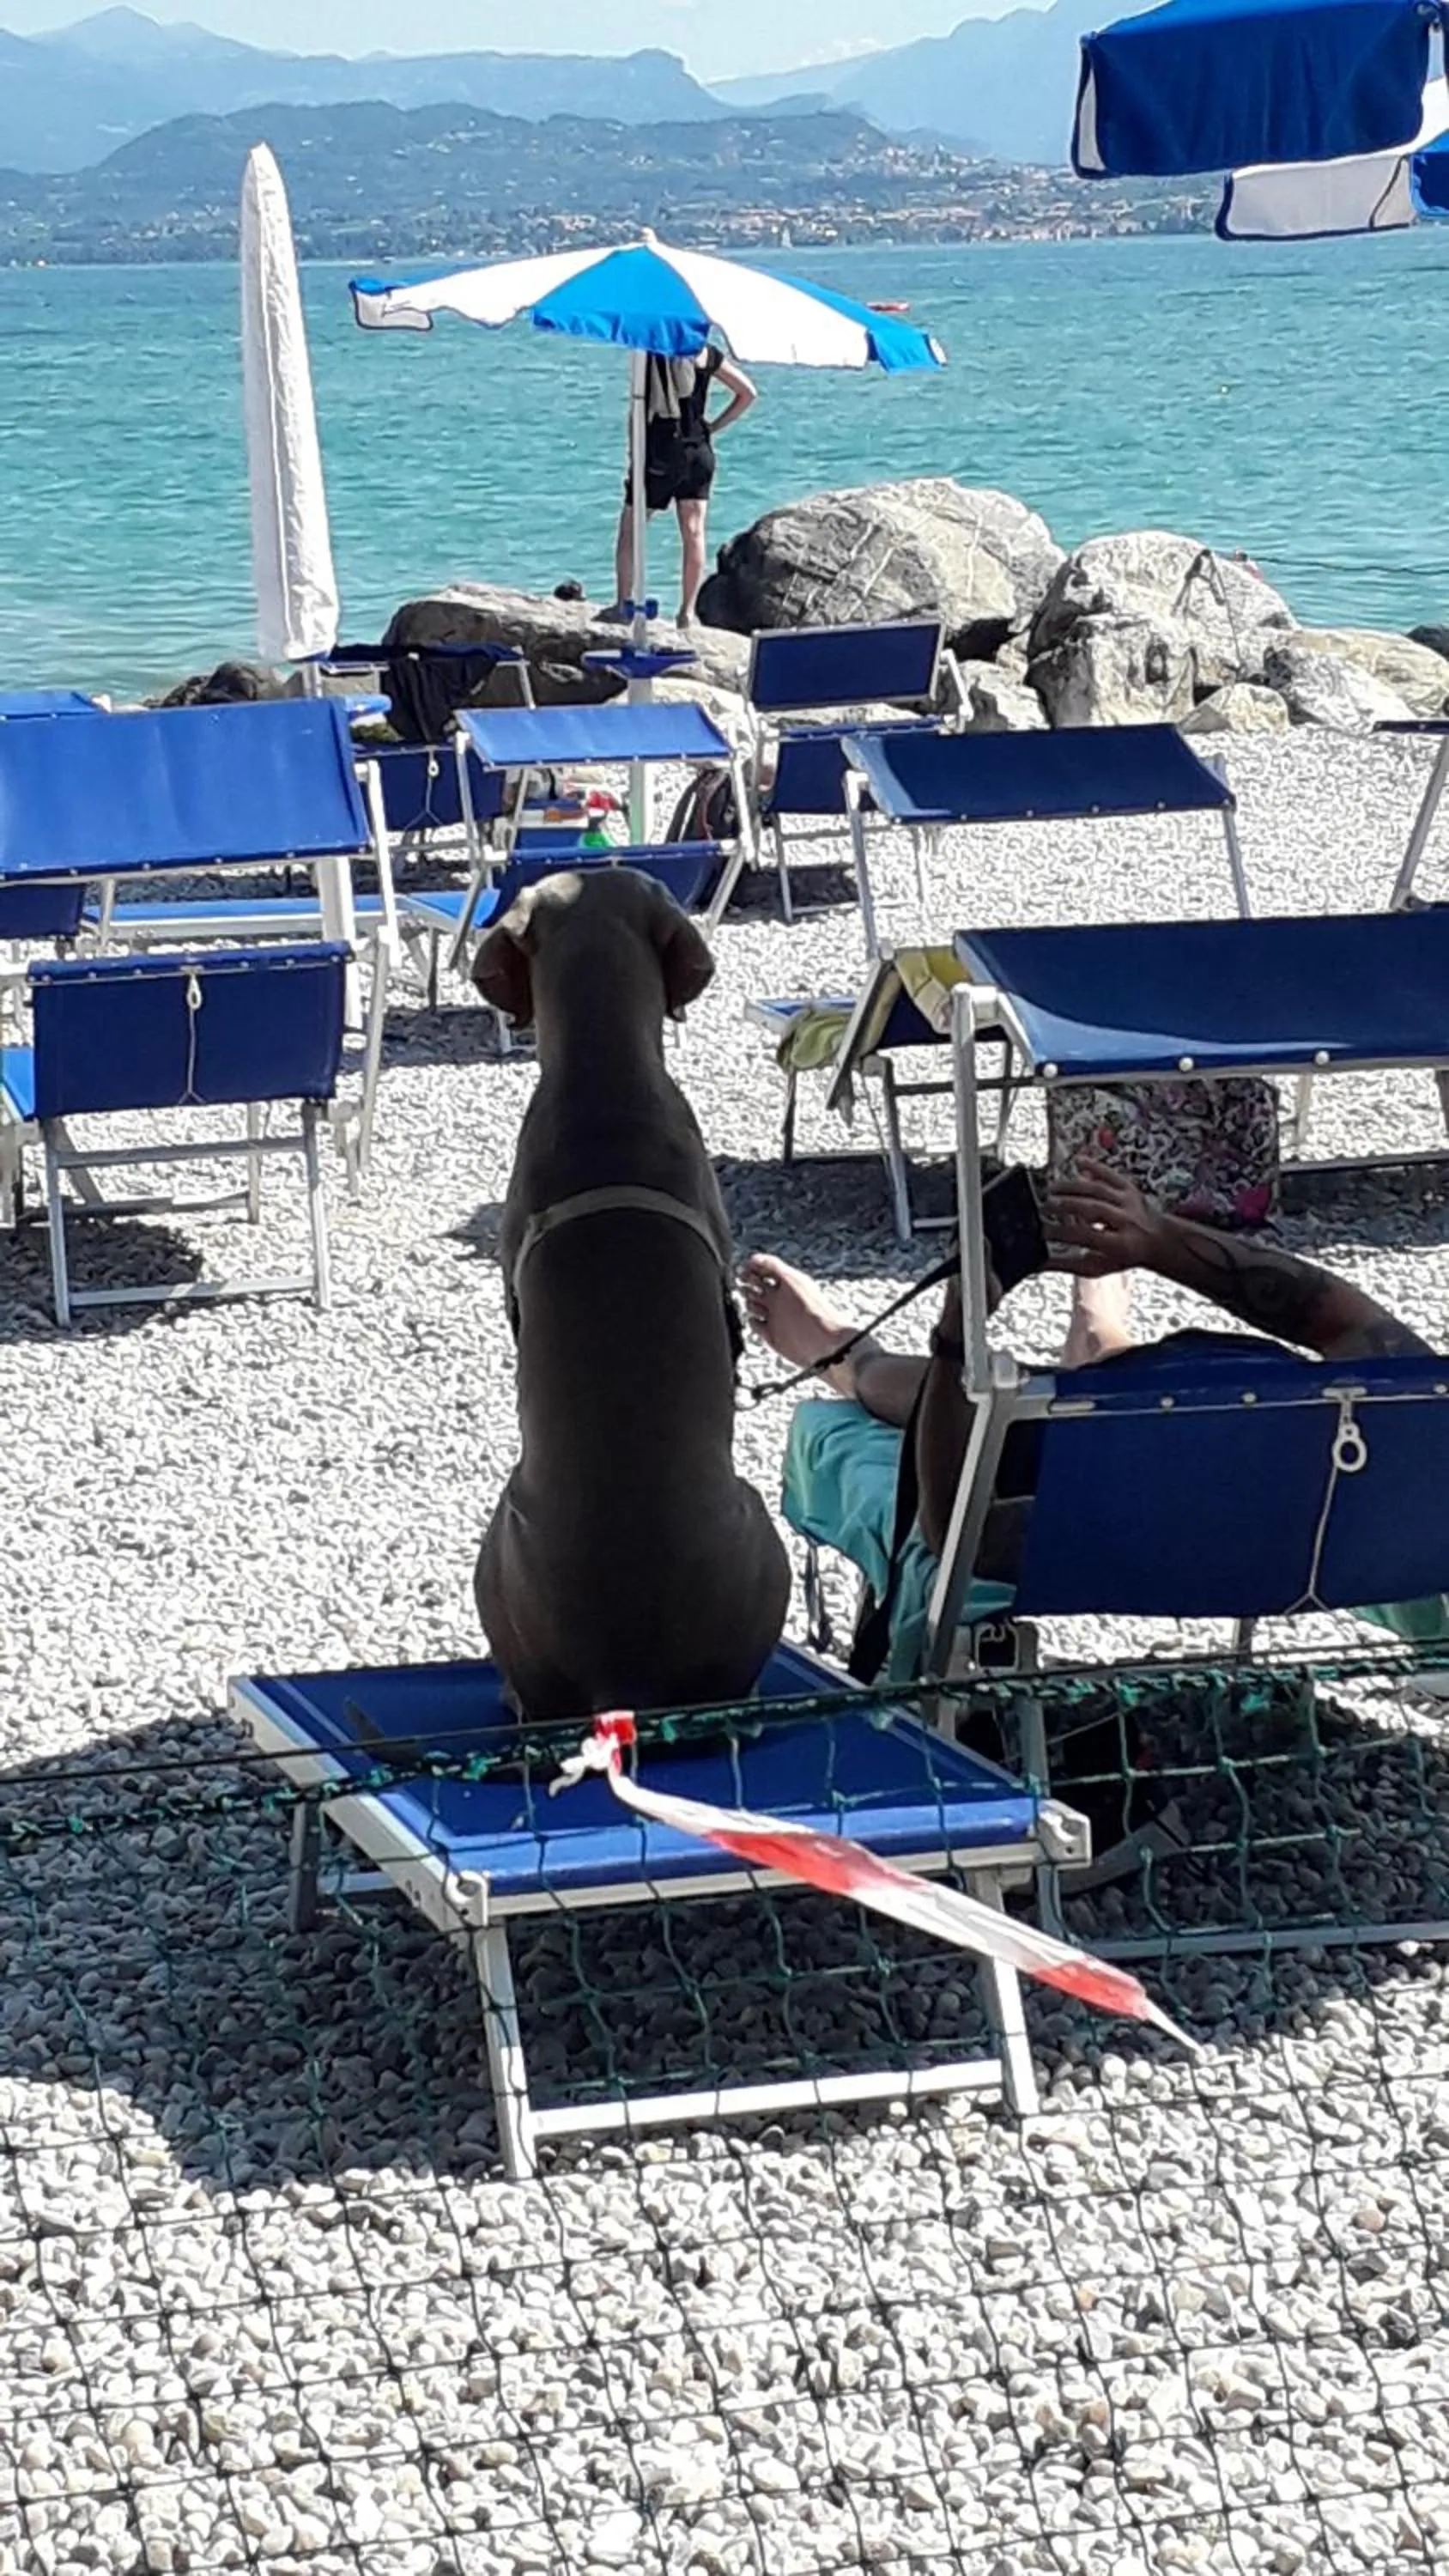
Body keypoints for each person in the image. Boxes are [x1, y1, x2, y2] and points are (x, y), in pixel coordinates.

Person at [742, 1159, 1437, 1688]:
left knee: (1020, 1400)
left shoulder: (1078, 1493)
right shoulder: (1408, 1448)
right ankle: (1098, 1324)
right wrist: (1161, 1241)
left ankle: (851, 1357)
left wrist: (957, 1335)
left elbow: (955, 1530)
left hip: (1111, 1421)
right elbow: (1345, 1323)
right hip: (1222, 1411)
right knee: (1105, 1372)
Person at [609, 348, 756, 627]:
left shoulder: (651, 354)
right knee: (694, 532)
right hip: (698, 451)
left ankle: (622, 604)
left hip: (659, 451)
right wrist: (713, 427)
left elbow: (638, 411)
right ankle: (686, 613)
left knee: (631, 527)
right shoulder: (705, 354)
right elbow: (747, 393)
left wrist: (634, 454)